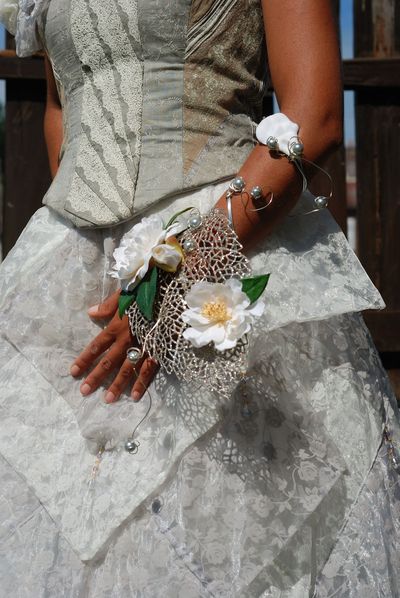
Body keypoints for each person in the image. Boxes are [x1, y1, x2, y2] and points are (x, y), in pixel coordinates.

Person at [0, 1, 399, 596]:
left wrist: (181, 268)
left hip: (225, 248)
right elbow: (62, 108)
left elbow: (312, 118)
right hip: (71, 273)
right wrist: (104, 270)